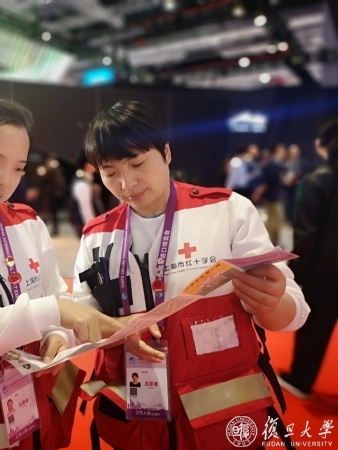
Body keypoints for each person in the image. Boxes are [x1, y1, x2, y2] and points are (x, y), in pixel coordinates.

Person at [72, 101, 309, 450]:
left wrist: (273, 303)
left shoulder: (226, 211)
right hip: (137, 418)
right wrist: (113, 330)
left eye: (137, 164)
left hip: (220, 414)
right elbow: (80, 316)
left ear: (166, 152)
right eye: (110, 173)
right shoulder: (97, 235)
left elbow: (295, 310)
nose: (126, 183)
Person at [0, 98, 121, 450]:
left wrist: (58, 336)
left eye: (18, 168)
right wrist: (53, 312)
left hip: (35, 408)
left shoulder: (27, 225)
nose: (4, 181)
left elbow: (57, 300)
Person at [279, 119, 338, 399]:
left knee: (314, 330)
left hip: (324, 272)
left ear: (322, 145)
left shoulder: (317, 181)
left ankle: (301, 380)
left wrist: (295, 275)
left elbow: (306, 236)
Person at [252, 143, 287, 245]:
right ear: (277, 151)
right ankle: (273, 243)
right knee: (274, 222)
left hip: (274, 196)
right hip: (273, 197)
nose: (284, 152)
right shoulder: (273, 165)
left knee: (274, 221)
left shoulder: (276, 164)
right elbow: (267, 182)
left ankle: (273, 242)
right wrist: (258, 192)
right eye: (282, 150)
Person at [70, 152, 104, 237]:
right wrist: (93, 229)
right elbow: (86, 209)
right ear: (87, 165)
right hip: (86, 227)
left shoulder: (87, 181)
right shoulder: (82, 184)